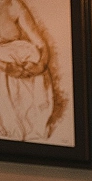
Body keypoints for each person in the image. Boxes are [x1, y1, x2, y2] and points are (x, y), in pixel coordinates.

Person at [0, 0, 54, 142]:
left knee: (33, 54)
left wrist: (41, 64)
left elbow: (39, 42)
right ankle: (10, 126)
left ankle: (35, 124)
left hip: (16, 57)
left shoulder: (13, 4)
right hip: (2, 62)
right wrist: (5, 66)